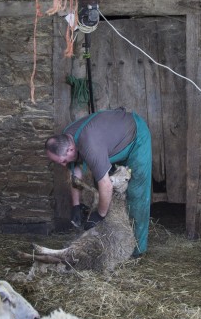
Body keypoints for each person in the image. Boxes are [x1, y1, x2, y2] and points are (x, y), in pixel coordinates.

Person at [44, 108, 152, 258]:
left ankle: (138, 249)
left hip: (135, 137)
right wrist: (76, 205)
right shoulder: (66, 136)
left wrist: (99, 215)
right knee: (108, 189)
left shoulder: (90, 145)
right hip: (111, 142)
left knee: (136, 192)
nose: (62, 165)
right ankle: (111, 242)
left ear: (70, 149)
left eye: (62, 161)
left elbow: (106, 185)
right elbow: (74, 171)